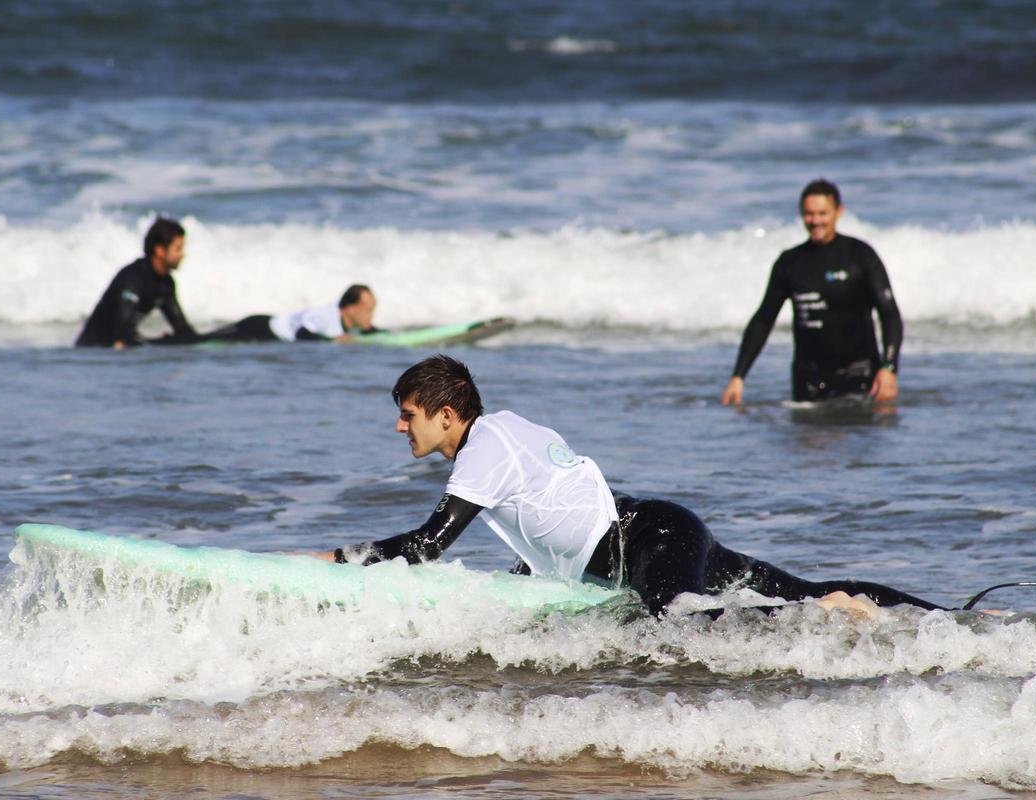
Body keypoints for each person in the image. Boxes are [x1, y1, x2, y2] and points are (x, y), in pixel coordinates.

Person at [306, 355, 942, 618]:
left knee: (685, 628)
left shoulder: (479, 449)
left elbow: (426, 546)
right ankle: (950, 619)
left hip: (649, 541)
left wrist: (335, 559)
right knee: (795, 586)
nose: (399, 425)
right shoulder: (503, 431)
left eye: (408, 413)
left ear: (446, 414)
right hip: (658, 529)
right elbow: (552, 510)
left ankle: (827, 615)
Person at [722, 179, 903, 405]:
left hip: (860, 377)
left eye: (822, 213)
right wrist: (738, 376)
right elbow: (763, 319)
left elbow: (889, 314)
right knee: (806, 438)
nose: (815, 221)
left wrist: (889, 367)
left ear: (838, 212)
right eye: (808, 214)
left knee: (856, 438)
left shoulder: (860, 255)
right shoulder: (790, 262)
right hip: (808, 380)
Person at [75, 217, 198, 348]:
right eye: (178, 249)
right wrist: (160, 343)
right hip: (94, 351)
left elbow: (183, 329)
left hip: (120, 347)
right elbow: (123, 329)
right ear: (160, 250)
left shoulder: (165, 283)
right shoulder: (133, 277)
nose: (183, 254)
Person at [208, 284, 379, 343]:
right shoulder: (326, 316)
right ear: (350, 308)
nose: (371, 315)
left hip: (268, 332)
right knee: (202, 340)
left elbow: (369, 330)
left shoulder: (349, 321)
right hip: (258, 328)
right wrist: (331, 341)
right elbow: (301, 332)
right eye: (368, 310)